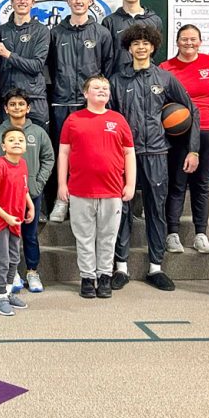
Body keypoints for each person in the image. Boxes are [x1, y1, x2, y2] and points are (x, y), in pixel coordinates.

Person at [109, 24, 199, 292]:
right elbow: (109, 118)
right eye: (135, 43)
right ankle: (121, 267)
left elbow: (191, 110)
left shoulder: (166, 79)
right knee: (121, 209)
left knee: (155, 209)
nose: (140, 47)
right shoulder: (116, 80)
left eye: (145, 43)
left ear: (153, 47)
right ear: (129, 48)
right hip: (125, 154)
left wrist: (192, 149)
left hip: (157, 152)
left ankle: (156, 267)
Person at [160, 24, 209, 254]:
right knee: (176, 182)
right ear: (177, 42)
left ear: (200, 41)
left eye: (193, 39)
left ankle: (200, 234)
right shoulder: (166, 68)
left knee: (201, 183)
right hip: (178, 133)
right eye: (184, 39)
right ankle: (172, 233)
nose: (189, 43)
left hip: (208, 130)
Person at [57, 76, 136, 299]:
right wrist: (62, 184)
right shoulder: (74, 120)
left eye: (105, 88)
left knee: (107, 236)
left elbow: (129, 153)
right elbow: (63, 153)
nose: (101, 91)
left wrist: (130, 183)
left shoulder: (118, 120)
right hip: (81, 189)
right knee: (83, 237)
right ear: (85, 93)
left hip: (112, 190)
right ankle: (87, 277)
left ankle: (104, 277)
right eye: (96, 87)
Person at [47, 0, 114, 223]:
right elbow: (49, 67)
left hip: (91, 106)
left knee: (89, 154)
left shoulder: (102, 33)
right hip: (61, 102)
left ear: (90, 1)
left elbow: (107, 69)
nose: (78, 1)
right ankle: (60, 201)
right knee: (61, 153)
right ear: (68, 2)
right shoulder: (56, 33)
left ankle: (85, 202)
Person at [0, 88, 54, 294]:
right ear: (5, 108)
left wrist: (38, 183)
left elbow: (48, 158)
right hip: (4, 199)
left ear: (28, 107)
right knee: (6, 239)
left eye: (21, 104)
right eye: (12, 104)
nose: (17, 107)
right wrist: (1, 186)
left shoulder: (38, 132)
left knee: (30, 236)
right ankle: (10, 276)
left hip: (30, 194)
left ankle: (32, 271)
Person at [0, 128, 35, 317]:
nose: (17, 142)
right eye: (11, 140)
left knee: (14, 258)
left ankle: (9, 291)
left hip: (15, 218)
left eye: (21, 139)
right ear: (4, 146)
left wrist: (31, 206)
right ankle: (0, 297)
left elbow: (24, 188)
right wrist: (6, 217)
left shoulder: (23, 165)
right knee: (2, 259)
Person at [0, 0, 50, 127]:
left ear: (33, 3)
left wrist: (9, 55)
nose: (22, 1)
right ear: (12, 3)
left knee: (36, 143)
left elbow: (36, 66)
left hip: (34, 98)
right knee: (7, 143)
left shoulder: (42, 31)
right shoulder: (0, 31)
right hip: (7, 99)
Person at [102, 0, 164, 75]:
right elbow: (106, 55)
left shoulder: (155, 20)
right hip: (119, 79)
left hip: (147, 78)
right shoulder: (109, 21)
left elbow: (155, 51)